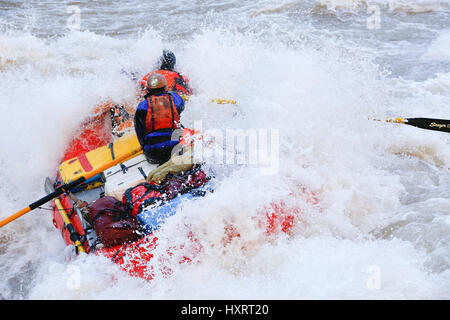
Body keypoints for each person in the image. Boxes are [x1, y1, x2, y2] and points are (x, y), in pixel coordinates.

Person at [134, 73, 186, 164]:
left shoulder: (142, 106)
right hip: (174, 150)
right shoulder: (175, 99)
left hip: (153, 154)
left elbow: (139, 132)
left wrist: (144, 148)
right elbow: (182, 106)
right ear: (165, 88)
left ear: (148, 90)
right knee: (181, 130)